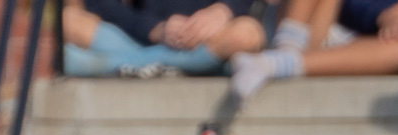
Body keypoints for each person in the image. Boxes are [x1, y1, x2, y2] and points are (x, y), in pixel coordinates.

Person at [230, 0, 398, 101]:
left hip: (366, 43)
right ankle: (285, 49)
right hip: (304, 22)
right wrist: (385, 12)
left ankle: (276, 63)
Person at [60, 0, 265, 77]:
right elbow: (102, 5)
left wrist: (223, 10)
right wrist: (154, 29)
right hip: (145, 39)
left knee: (248, 34)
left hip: (210, 43)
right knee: (67, 20)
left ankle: (123, 65)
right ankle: (167, 65)